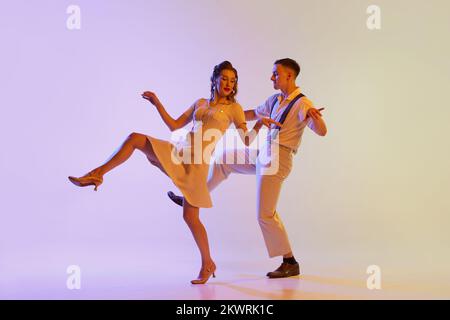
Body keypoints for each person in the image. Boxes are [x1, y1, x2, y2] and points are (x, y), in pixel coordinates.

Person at [68, 61, 281, 284]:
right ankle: (97, 174)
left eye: (233, 80)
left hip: (197, 165)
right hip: (180, 153)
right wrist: (157, 103)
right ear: (215, 79)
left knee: (190, 217)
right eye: (225, 78)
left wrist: (260, 124)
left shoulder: (234, 109)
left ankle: (208, 263)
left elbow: (247, 141)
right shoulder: (200, 103)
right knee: (135, 138)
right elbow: (175, 126)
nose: (229, 83)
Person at [168, 58, 327, 278]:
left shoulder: (303, 104)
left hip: (278, 157)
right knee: (225, 159)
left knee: (265, 214)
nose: (272, 77)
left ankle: (290, 261)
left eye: (276, 73)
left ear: (289, 76)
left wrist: (315, 119)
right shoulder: (275, 99)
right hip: (264, 152)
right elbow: (251, 114)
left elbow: (321, 130)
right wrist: (236, 112)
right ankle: (193, 196)